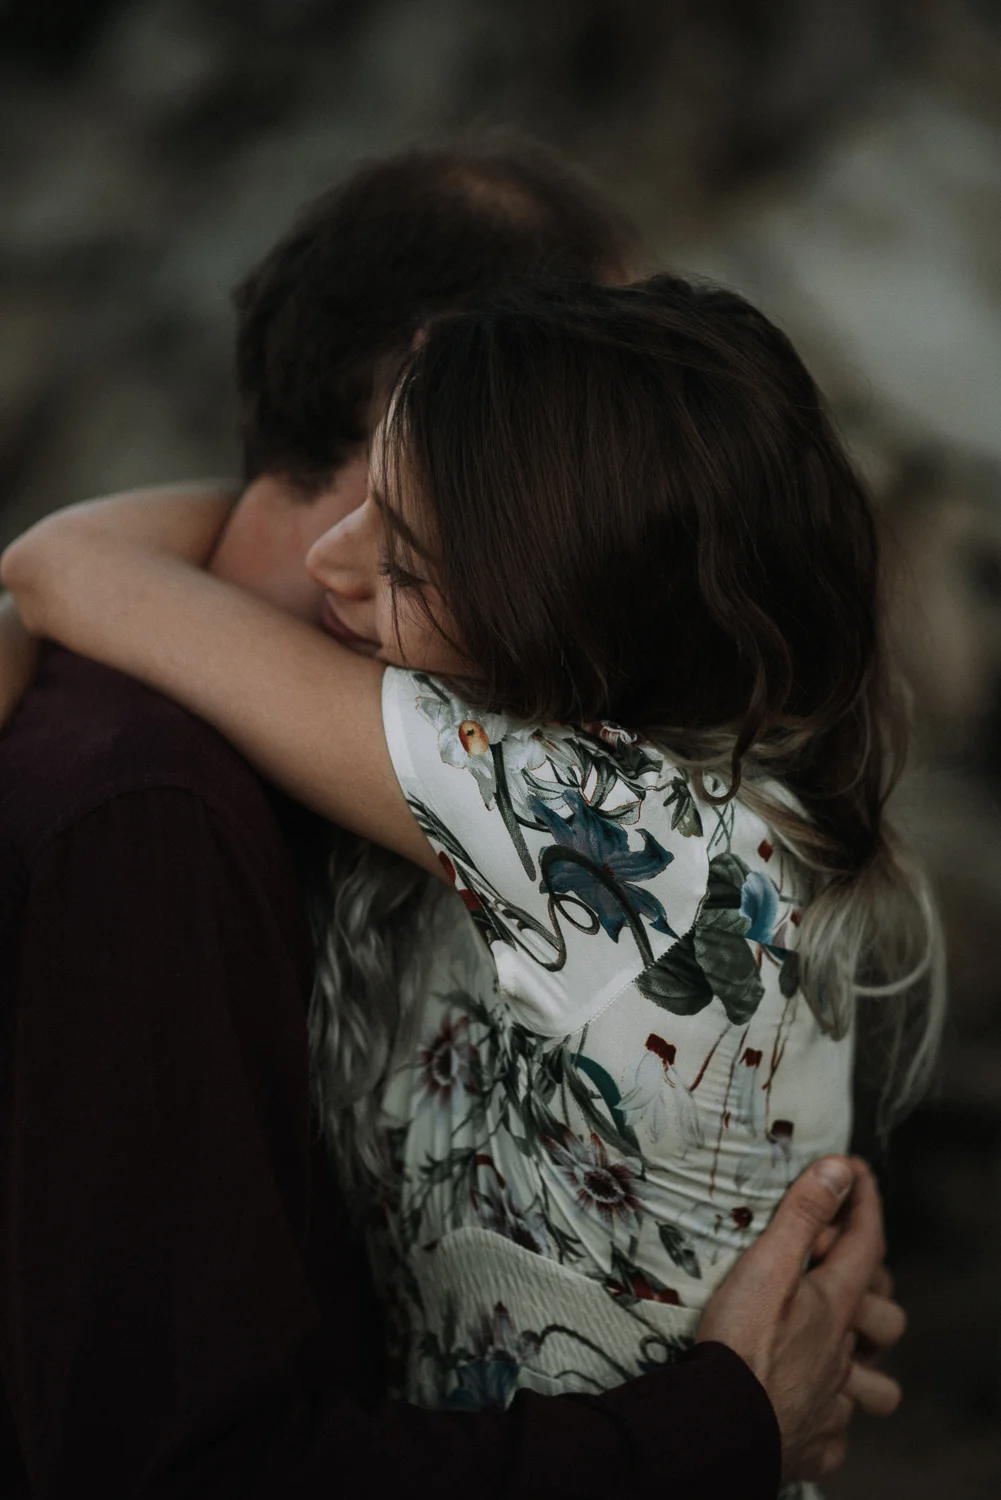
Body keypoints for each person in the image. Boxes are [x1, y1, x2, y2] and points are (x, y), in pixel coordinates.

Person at [0, 149, 906, 1499]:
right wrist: (725, 1424)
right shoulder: (160, 811)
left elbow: (60, 564)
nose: (620, 501)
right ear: (435, 387)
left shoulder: (531, 786)